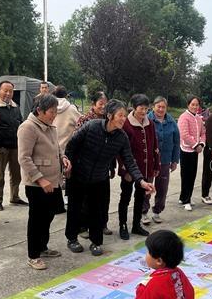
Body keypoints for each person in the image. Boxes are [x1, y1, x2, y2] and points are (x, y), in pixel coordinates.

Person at [65, 99, 155, 256]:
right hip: (78, 175)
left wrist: (141, 181)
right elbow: (71, 145)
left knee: (97, 211)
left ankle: (96, 242)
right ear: (109, 115)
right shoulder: (91, 126)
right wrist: (68, 165)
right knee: (75, 209)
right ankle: (72, 238)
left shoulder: (121, 137)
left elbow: (130, 161)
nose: (123, 119)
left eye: (125, 116)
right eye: (120, 115)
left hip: (99, 178)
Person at [18, 94, 71, 270]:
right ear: (39, 111)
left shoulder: (50, 126)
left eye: (56, 111)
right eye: (51, 112)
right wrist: (40, 179)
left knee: (48, 215)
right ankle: (33, 255)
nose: (54, 115)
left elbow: (57, 148)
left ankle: (42, 246)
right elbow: (24, 158)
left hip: (53, 181)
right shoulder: (28, 127)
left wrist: (63, 158)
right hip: (37, 184)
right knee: (37, 219)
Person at [118, 94, 160, 240]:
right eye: (141, 108)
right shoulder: (126, 124)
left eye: (146, 109)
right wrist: (125, 169)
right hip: (129, 170)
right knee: (125, 197)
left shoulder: (150, 123)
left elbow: (154, 145)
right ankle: (123, 226)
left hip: (145, 168)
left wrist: (155, 165)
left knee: (140, 197)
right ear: (134, 108)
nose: (144, 111)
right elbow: (120, 150)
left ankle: (136, 225)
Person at [75, 91, 111, 237]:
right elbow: (76, 141)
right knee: (86, 198)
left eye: (105, 104)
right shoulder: (85, 119)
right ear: (93, 104)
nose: (103, 107)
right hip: (87, 166)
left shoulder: (109, 119)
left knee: (104, 197)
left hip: (104, 166)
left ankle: (102, 224)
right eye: (100, 104)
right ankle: (83, 227)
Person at [0, 80, 27, 210]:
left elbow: (20, 122)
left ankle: (15, 197)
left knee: (16, 174)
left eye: (10, 91)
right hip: (2, 147)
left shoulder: (15, 107)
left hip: (15, 146)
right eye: (5, 90)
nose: (8, 93)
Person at [142, 96, 179, 224]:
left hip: (165, 160)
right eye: (158, 106)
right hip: (149, 161)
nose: (161, 109)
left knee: (162, 188)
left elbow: (176, 141)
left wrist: (175, 160)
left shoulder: (171, 121)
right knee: (147, 186)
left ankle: (157, 211)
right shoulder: (147, 120)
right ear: (153, 107)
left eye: (163, 107)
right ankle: (143, 212)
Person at [177, 95, 205, 211]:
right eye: (192, 104)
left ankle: (185, 197)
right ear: (188, 105)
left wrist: (201, 144)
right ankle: (186, 200)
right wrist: (195, 145)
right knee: (186, 176)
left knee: (192, 175)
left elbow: (203, 133)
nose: (195, 107)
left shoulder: (199, 118)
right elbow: (184, 134)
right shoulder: (183, 117)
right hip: (186, 150)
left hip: (195, 151)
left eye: (197, 105)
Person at [53, 85, 82, 155]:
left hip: (51, 148)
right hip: (66, 150)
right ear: (66, 95)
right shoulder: (71, 109)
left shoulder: (49, 108)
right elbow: (82, 122)